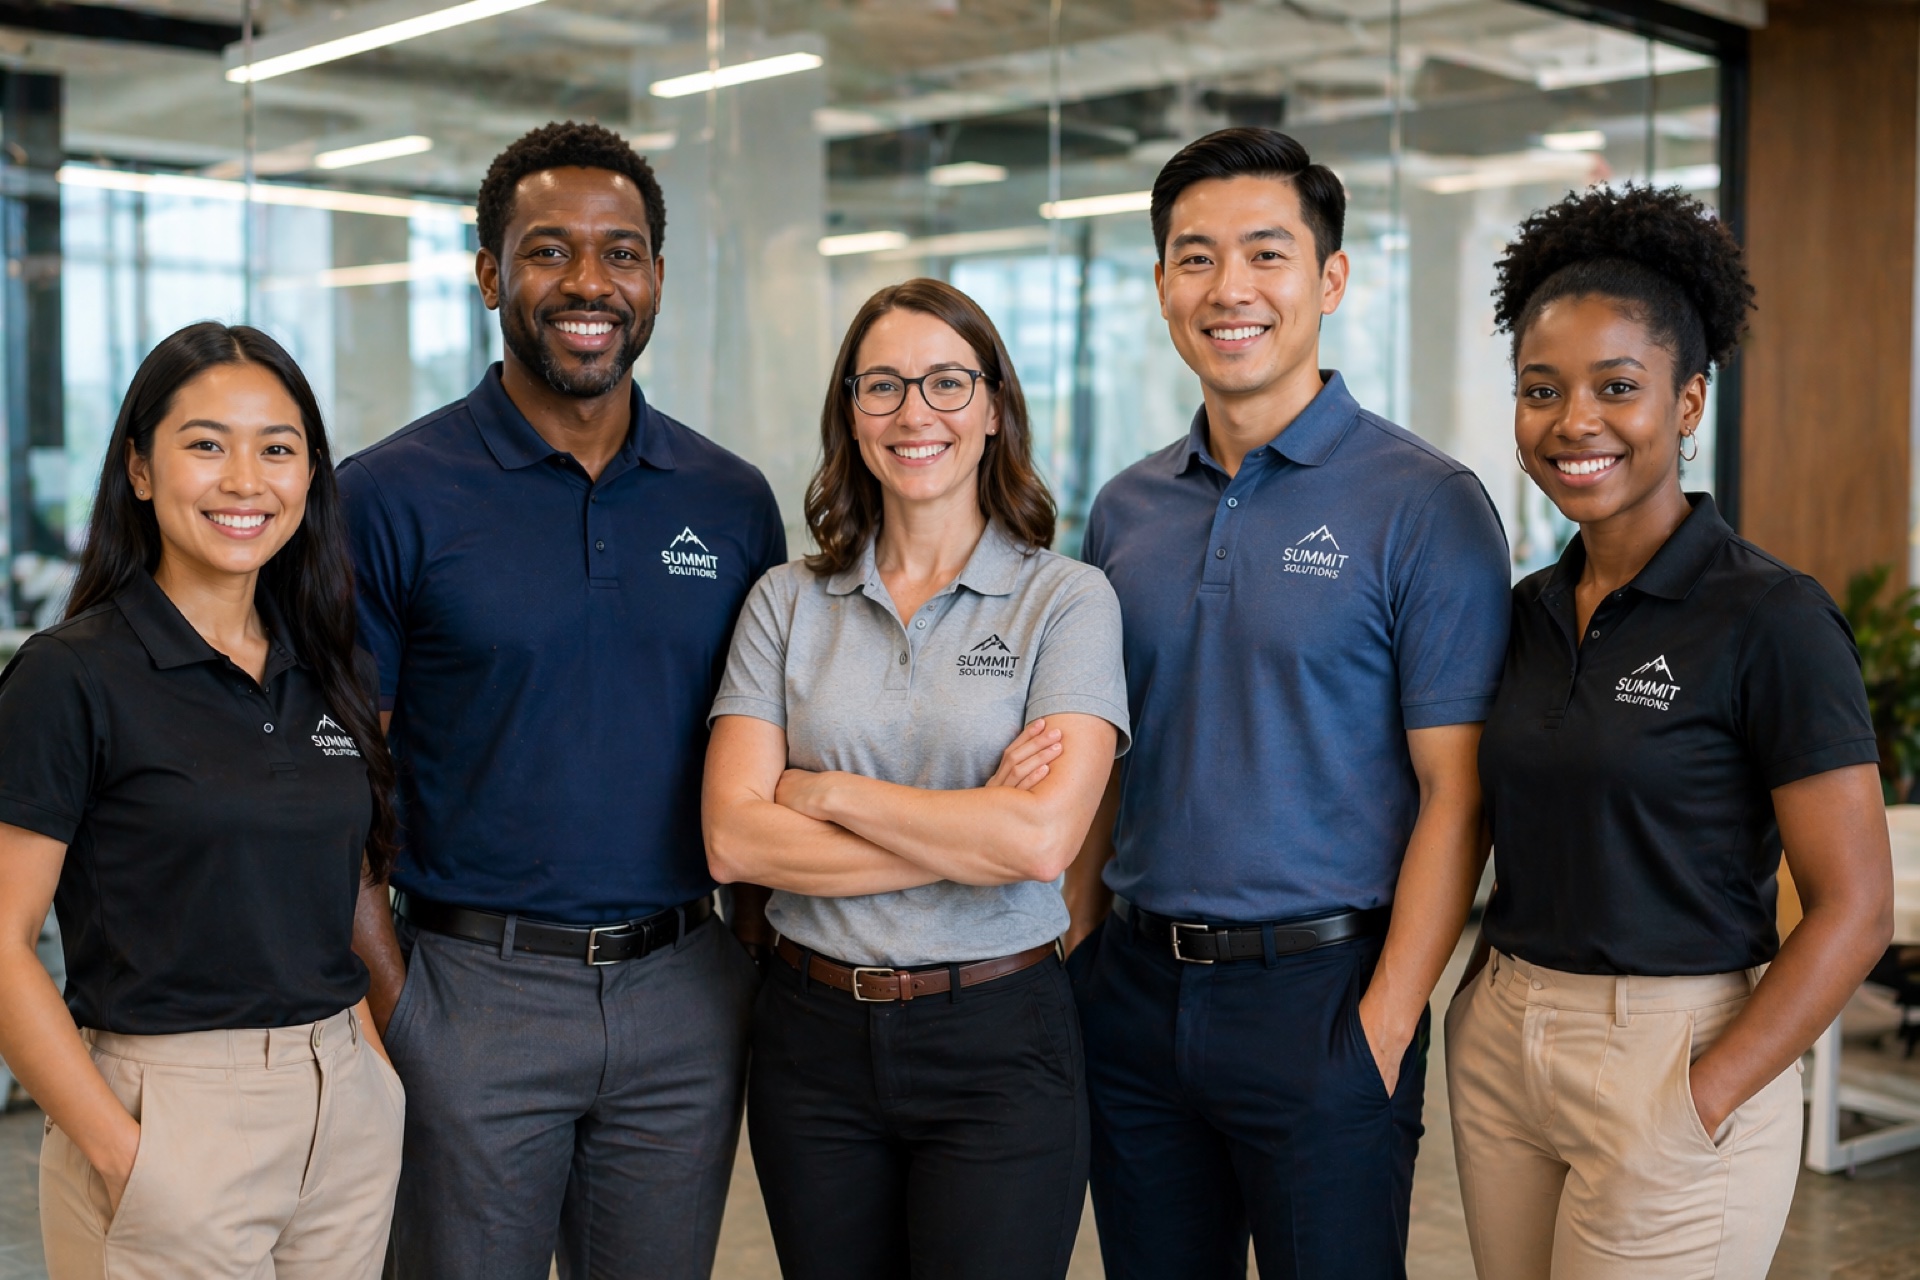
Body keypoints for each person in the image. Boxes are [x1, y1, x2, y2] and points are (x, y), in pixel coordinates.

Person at [338, 121, 785, 1280]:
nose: (590, 282)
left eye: (622, 252)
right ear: (490, 272)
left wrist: (737, 967)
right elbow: (338, 780)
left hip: (685, 994)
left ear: (657, 278)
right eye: (549, 250)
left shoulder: (731, 502)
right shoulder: (388, 495)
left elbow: (763, 754)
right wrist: (401, 1006)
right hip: (471, 989)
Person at [1065, 126, 1512, 1278]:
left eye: (1266, 253)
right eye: (1195, 257)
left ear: (1330, 278)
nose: (1230, 289)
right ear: (1163, 284)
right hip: (1136, 991)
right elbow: (1111, 761)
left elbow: (1454, 791)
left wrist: (1383, 1025)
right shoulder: (1124, 511)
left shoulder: (1425, 504)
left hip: (1325, 996)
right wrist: (1078, 954)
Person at [1448, 184, 1893, 1279]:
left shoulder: (1769, 617)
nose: (1574, 422)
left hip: (1675, 1045)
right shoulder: (1523, 612)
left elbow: (1857, 905)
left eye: (1618, 387)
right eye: (1540, 389)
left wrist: (1706, 1091)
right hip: (1506, 1030)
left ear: (1689, 402)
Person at [703, 277, 1129, 1280]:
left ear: (991, 407)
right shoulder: (787, 600)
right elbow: (733, 839)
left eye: (946, 381)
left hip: (998, 1038)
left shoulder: (1065, 602)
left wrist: (824, 791)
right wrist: (967, 824)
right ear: (850, 414)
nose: (914, 413)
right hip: (811, 1041)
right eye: (883, 385)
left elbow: (1038, 845)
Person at [0, 321, 405, 1279]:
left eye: (277, 448)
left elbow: (344, 880)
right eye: (205, 445)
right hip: (166, 1116)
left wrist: (372, 1075)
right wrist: (117, 1147)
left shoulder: (331, 664)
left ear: (310, 477)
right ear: (139, 470)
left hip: (342, 1110)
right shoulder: (70, 675)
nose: (243, 480)